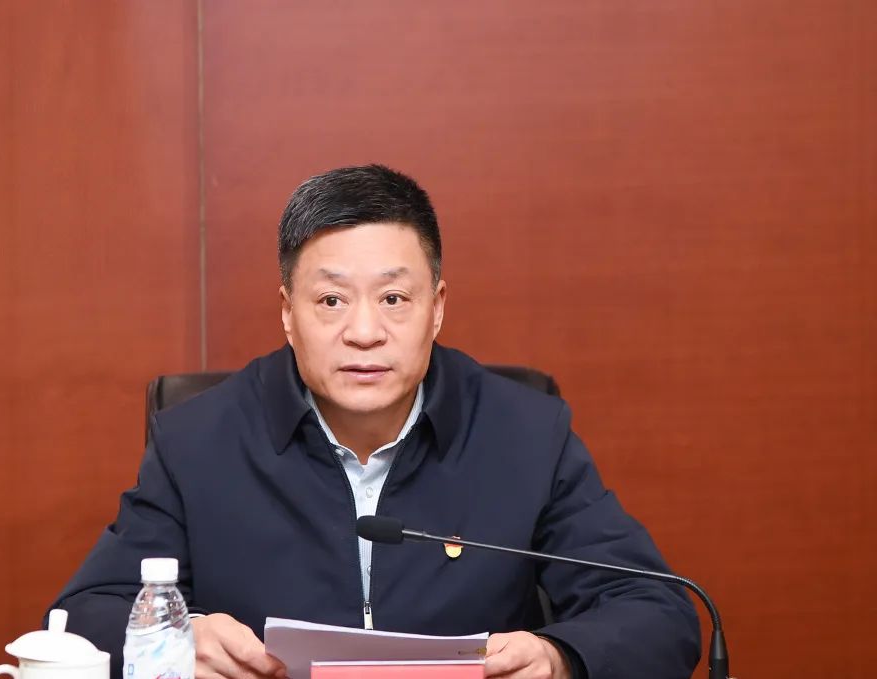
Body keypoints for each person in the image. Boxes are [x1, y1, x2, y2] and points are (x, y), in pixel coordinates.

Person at [52, 164, 701, 679]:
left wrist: (560, 657)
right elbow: (81, 617)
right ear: (288, 312)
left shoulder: (526, 435)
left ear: (436, 308)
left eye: (393, 298)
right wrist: (176, 638)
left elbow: (659, 612)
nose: (364, 332)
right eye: (331, 300)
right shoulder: (197, 441)